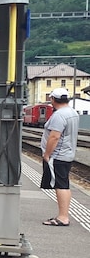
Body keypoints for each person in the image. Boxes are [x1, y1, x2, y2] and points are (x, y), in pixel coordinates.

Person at [40, 87, 80, 226]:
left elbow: (54, 137)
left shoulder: (59, 115)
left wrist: (47, 154)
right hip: (67, 153)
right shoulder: (72, 112)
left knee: (60, 185)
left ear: (53, 99)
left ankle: (63, 217)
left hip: (58, 155)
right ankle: (63, 215)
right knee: (64, 184)